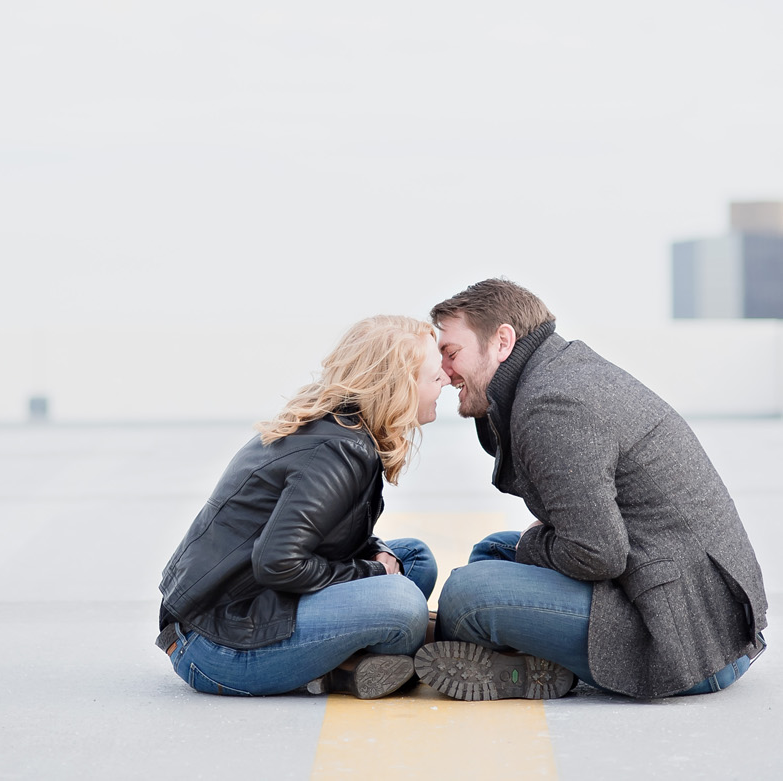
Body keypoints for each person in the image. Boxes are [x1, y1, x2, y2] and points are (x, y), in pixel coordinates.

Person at [414, 279, 768, 702]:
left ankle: (474, 654)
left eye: (451, 353)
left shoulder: (552, 404)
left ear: (502, 341)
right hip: (694, 609)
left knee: (466, 595)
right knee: (493, 551)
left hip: (686, 645)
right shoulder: (559, 370)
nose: (444, 371)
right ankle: (516, 660)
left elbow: (596, 552)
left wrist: (534, 542)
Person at [157, 314, 449, 698]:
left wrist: (374, 554)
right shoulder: (337, 450)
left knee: (414, 559)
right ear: (398, 387)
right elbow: (278, 562)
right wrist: (369, 571)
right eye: (434, 375)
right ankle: (346, 667)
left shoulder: (344, 431)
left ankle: (363, 657)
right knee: (403, 603)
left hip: (249, 607)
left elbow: (322, 535)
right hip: (215, 644)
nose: (445, 378)